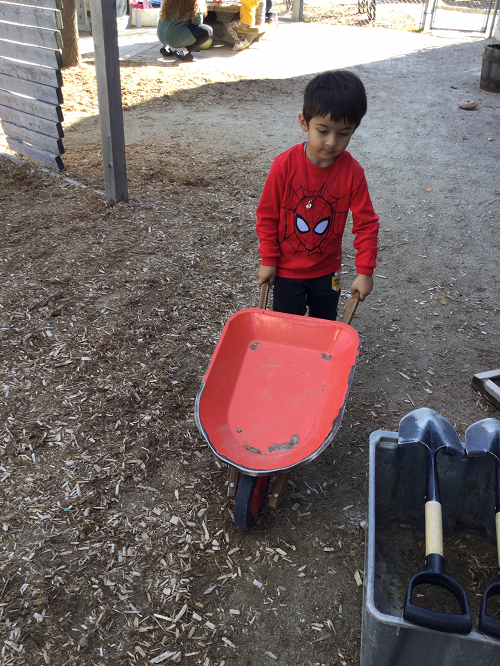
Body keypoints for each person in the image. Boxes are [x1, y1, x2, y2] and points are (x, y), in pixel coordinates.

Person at [256, 70, 379, 321]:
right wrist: (268, 258)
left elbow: (366, 224)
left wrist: (365, 271)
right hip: (286, 272)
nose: (332, 142)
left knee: (324, 325)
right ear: (304, 123)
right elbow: (267, 216)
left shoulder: (353, 173)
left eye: (343, 133)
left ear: (355, 129)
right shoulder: (284, 166)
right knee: (287, 328)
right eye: (323, 131)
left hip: (327, 273)